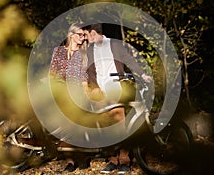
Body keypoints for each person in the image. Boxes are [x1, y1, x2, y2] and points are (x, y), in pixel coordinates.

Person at [83, 23, 152, 174]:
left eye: (87, 35)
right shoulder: (90, 50)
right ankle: (113, 160)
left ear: (93, 33)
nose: (85, 39)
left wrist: (142, 73)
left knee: (118, 122)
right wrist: (94, 88)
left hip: (116, 86)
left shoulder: (115, 44)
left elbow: (129, 60)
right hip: (100, 90)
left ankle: (125, 160)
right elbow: (90, 71)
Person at [49, 22, 89, 172]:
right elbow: (52, 72)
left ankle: (77, 157)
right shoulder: (58, 51)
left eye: (84, 35)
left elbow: (83, 75)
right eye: (80, 34)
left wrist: (85, 91)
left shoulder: (83, 54)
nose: (83, 37)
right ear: (71, 34)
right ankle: (71, 159)